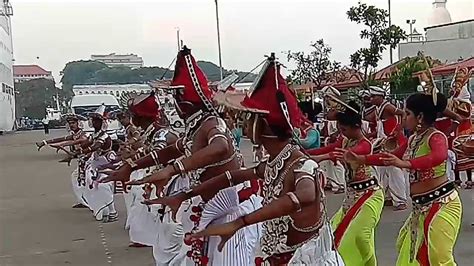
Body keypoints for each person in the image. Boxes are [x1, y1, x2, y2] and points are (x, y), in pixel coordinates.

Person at [141, 54, 344, 265]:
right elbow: (231, 178)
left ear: (262, 125)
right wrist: (184, 194)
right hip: (277, 257)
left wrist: (241, 222)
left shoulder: (302, 165)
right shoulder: (273, 164)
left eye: (249, 118)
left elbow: (306, 194)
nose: (244, 124)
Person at [103, 46, 253, 266]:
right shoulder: (196, 127)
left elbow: (220, 146)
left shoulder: (212, 124)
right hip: (206, 205)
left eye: (175, 96)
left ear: (184, 103)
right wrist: (131, 165)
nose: (172, 103)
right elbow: (171, 151)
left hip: (229, 209)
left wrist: (174, 169)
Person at [345, 92, 462, 266]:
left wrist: (406, 163)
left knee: (438, 257)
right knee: (412, 253)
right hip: (421, 207)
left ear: (420, 117)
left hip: (442, 204)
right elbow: (390, 157)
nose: (404, 118)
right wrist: (362, 159)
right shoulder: (414, 139)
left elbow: (439, 156)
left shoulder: (436, 137)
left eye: (407, 114)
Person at [308, 99, 383, 266]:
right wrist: (305, 152)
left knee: (361, 236)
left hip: (370, 195)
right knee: (337, 233)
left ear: (356, 126)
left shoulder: (365, 145)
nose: (342, 133)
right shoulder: (346, 140)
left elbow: (345, 155)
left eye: (344, 129)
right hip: (352, 195)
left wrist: (318, 158)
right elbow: (330, 149)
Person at [72, 105, 119, 223]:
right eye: (92, 121)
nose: (93, 123)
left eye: (96, 121)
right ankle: (104, 211)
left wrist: (83, 151)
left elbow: (95, 146)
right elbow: (87, 143)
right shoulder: (94, 135)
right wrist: (76, 151)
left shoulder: (104, 136)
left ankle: (112, 211)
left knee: (103, 186)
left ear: (101, 123)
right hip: (96, 163)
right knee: (93, 186)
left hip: (106, 163)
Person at [36, 113, 89, 208]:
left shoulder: (83, 134)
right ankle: (84, 200)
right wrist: (45, 142)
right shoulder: (75, 135)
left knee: (84, 180)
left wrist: (63, 145)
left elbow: (79, 141)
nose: (72, 125)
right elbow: (61, 139)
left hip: (89, 161)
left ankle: (89, 202)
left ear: (78, 123)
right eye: (70, 123)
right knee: (78, 179)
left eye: (73, 123)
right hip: (83, 160)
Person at [369, 86, 408, 211]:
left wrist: (398, 130)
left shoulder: (388, 106)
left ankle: (401, 200)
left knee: (394, 168)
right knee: (382, 168)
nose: (371, 99)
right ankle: (388, 196)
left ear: (380, 97)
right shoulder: (377, 108)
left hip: (393, 140)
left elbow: (402, 113)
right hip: (384, 138)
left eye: (374, 96)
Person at [320, 86, 345, 193]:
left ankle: (340, 184)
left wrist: (336, 134)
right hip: (329, 138)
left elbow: (342, 125)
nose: (326, 100)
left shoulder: (340, 110)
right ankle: (330, 182)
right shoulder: (328, 110)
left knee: (337, 161)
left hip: (338, 138)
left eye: (328, 98)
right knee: (327, 161)